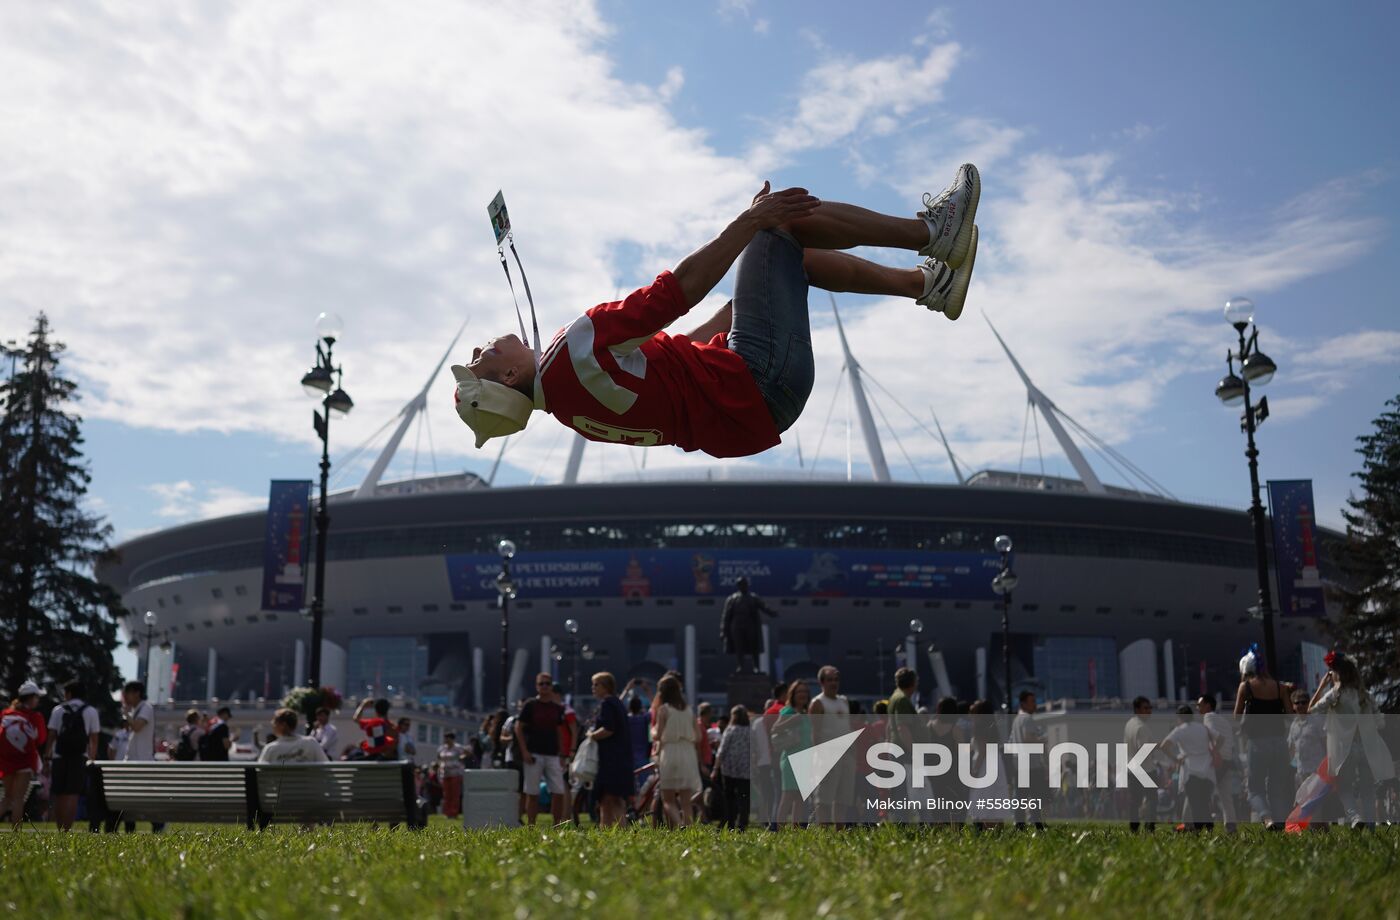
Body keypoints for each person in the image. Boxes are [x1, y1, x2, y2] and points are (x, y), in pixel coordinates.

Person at [451, 167, 981, 460]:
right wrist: (748, 223)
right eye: (481, 362)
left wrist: (739, 307)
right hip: (755, 375)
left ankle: (931, 285)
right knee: (780, 228)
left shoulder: (575, 413)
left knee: (789, 261)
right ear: (512, 376)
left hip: (762, 403)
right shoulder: (571, 351)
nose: (481, 350)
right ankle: (933, 232)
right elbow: (674, 293)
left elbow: (676, 363)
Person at [1308, 651, 1396, 827]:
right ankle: (1371, 828)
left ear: (1337, 673)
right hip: (1366, 748)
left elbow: (1311, 709)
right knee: (1368, 790)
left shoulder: (1334, 694)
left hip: (1344, 750)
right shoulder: (1366, 695)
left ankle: (1355, 818)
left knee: (1344, 788)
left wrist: (1321, 686)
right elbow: (1380, 723)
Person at [1233, 647, 1293, 828]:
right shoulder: (1280, 687)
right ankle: (1280, 824)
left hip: (1258, 742)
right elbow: (1290, 715)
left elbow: (1236, 716)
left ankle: (1267, 819)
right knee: (1277, 787)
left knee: (1254, 788)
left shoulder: (1246, 687)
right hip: (1279, 741)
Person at [42, 679, 100, 831]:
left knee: (59, 793)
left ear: (68, 693)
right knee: (73, 794)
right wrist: (91, 759)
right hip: (79, 756)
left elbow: (52, 735)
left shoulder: (58, 710)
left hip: (59, 756)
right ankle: (67, 829)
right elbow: (94, 738)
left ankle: (60, 828)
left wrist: (47, 757)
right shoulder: (90, 711)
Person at [515, 674, 567, 825]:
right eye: (541, 684)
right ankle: (531, 824)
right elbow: (519, 727)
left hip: (553, 754)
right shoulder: (530, 705)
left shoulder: (557, 708)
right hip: (534, 754)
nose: (544, 686)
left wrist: (563, 753)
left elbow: (559, 730)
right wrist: (524, 751)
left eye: (547, 684)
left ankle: (557, 824)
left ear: (551, 686)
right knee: (532, 792)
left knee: (558, 791)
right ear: (537, 686)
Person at [652, 674, 702, 827]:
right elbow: (698, 736)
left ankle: (679, 824)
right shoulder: (689, 710)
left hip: (670, 751)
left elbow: (658, 735)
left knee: (668, 798)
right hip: (688, 752)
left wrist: (652, 731)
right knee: (686, 800)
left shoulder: (664, 710)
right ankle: (689, 827)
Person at [585, 672, 633, 828]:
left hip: (610, 759)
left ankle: (606, 830)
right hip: (622, 757)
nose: (593, 688)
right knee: (616, 798)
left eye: (596, 684)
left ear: (605, 686)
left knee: (606, 797)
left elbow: (608, 729)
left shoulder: (607, 704)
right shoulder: (618, 703)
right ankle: (621, 829)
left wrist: (591, 735)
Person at [808, 665, 853, 826]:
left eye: (836, 680)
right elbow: (815, 732)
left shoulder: (844, 701)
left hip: (846, 755)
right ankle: (824, 833)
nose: (834, 683)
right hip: (827, 755)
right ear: (822, 682)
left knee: (843, 798)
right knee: (824, 799)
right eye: (830, 680)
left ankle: (839, 831)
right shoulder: (818, 703)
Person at [1161, 705, 1218, 832]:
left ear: (1179, 717)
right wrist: (1213, 752)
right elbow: (1221, 739)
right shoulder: (1203, 728)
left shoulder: (1180, 730)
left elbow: (1164, 746)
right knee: (1204, 802)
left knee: (1194, 803)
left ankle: (1196, 830)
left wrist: (1176, 759)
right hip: (1207, 770)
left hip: (1190, 771)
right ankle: (1208, 829)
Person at [1, 681, 47, 830]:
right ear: (31, 698)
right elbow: (41, 739)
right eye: (37, 697)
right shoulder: (35, 717)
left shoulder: (6, 713)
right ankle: (16, 831)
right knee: (19, 798)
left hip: (6, 760)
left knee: (7, 797)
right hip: (25, 761)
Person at [120, 681, 164, 833]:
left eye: (127, 693)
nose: (125, 697)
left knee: (144, 796)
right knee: (132, 797)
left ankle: (157, 825)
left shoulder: (145, 707)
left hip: (142, 760)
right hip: (135, 759)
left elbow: (137, 727)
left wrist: (126, 714)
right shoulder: (137, 709)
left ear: (137, 693)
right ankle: (134, 827)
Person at [773, 679, 813, 827]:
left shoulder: (807, 713)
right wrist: (792, 721)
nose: (802, 694)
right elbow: (775, 729)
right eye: (799, 692)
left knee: (800, 797)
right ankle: (780, 831)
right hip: (790, 759)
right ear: (793, 694)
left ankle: (795, 831)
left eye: (805, 692)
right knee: (788, 795)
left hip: (806, 759)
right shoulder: (788, 711)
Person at [965, 700, 1012, 828]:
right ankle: (998, 832)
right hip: (996, 763)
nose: (970, 712)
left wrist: (974, 771)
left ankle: (985, 830)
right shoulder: (991, 725)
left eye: (973, 710)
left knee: (983, 799)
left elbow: (982, 751)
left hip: (985, 766)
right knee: (995, 798)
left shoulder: (979, 727)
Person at [1196, 694, 1239, 832]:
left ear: (1208, 705)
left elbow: (1210, 735)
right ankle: (1231, 827)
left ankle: (1203, 826)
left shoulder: (1208, 717)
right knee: (1225, 796)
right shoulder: (1223, 720)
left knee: (1202, 793)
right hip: (1227, 760)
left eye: (1200, 705)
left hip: (1217, 760)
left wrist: (1212, 753)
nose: (1198, 707)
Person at [721, 577, 779, 673]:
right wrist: (723, 631)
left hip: (750, 624)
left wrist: (772, 613)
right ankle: (740, 666)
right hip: (737, 625)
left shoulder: (753, 597)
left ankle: (756, 666)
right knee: (739, 647)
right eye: (741, 584)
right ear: (738, 586)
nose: (743, 586)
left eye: (745, 584)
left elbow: (763, 606)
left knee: (753, 646)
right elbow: (725, 616)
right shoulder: (732, 599)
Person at [1008, 690, 1046, 829]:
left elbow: (1011, 741)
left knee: (1020, 795)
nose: (1035, 705)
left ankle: (1019, 823)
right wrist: (1042, 740)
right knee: (1035, 795)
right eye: (1032, 702)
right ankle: (1037, 823)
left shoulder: (1017, 719)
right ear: (1023, 703)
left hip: (1019, 763)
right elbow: (1028, 738)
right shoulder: (1027, 719)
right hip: (1031, 764)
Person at [1122, 697, 1158, 831]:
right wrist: (1157, 746)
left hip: (1132, 767)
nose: (1149, 711)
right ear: (1137, 710)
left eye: (1150, 708)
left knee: (1134, 802)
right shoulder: (1142, 728)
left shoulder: (1129, 724)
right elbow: (1143, 750)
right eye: (1146, 708)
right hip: (1145, 769)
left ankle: (1134, 829)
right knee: (1151, 800)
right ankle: (1149, 828)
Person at [713, 705, 752, 830]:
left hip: (729, 769)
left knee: (729, 798)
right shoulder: (750, 730)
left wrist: (715, 768)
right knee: (744, 797)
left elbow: (722, 750)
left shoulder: (730, 730)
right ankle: (743, 824)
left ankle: (730, 823)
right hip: (746, 770)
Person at [258, 708, 330, 764]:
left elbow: (259, 774)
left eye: (274, 723)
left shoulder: (271, 749)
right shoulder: (311, 743)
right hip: (308, 783)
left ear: (283, 724)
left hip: (281, 783)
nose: (273, 725)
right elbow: (327, 766)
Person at [1287, 689, 1325, 791]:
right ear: (1293, 706)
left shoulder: (1317, 720)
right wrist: (1293, 766)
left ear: (1308, 703)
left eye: (1303, 702)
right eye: (1297, 703)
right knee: (1305, 801)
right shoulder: (1293, 725)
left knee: (1316, 801)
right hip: (1301, 771)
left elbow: (1325, 743)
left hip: (1316, 769)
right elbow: (1291, 748)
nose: (1300, 705)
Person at [437, 732, 467, 819]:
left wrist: (461, 757)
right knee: (446, 794)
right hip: (445, 773)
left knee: (455, 794)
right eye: (445, 738)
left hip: (455, 773)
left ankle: (453, 813)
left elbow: (467, 753)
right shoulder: (442, 748)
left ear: (452, 739)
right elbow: (439, 757)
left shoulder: (458, 747)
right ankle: (447, 813)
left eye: (448, 738)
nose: (446, 740)